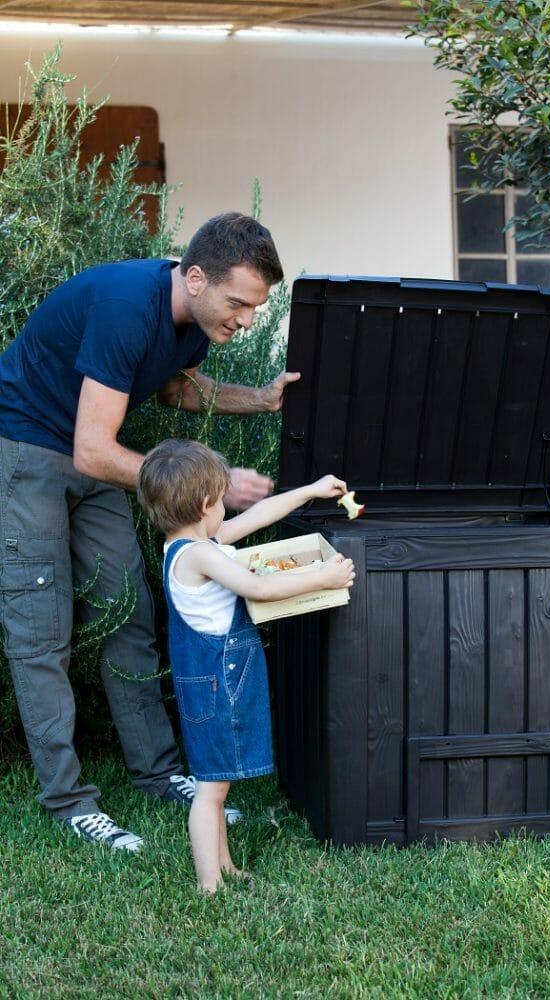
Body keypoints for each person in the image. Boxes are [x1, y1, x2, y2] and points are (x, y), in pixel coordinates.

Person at [0, 212, 300, 851]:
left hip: (94, 462)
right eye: (239, 303)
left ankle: (158, 774)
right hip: (26, 454)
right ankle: (68, 800)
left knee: (127, 612)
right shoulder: (124, 307)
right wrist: (205, 489)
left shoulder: (191, 321)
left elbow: (177, 392)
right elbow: (92, 450)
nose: (247, 320)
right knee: (41, 633)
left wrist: (264, 397)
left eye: (256, 307)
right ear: (195, 278)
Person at [137, 438, 355, 892]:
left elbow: (255, 517)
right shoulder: (200, 555)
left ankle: (225, 866)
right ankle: (208, 883)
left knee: (216, 785)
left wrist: (309, 490)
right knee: (210, 789)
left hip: (211, 679)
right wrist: (324, 576)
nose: (227, 510)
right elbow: (257, 587)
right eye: (222, 500)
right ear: (204, 504)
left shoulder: (187, 544)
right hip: (220, 681)